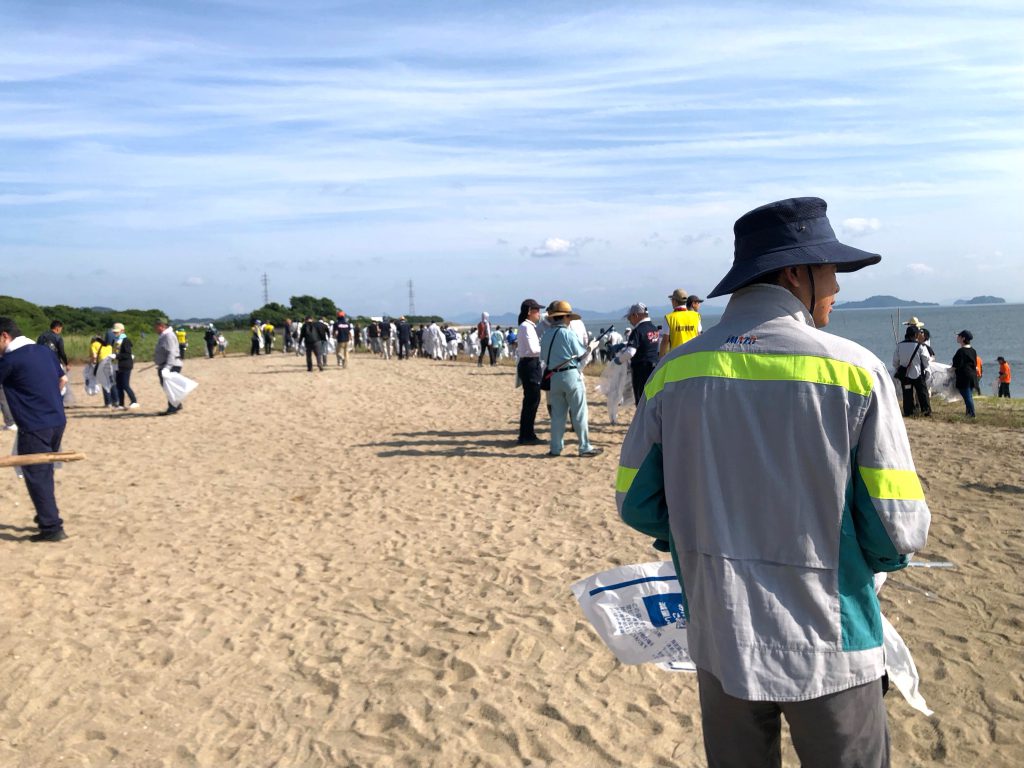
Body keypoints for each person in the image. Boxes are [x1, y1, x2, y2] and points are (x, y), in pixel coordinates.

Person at [616, 197, 930, 767]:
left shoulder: (673, 372)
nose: (837, 286)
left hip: (720, 636)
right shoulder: (855, 371)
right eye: (831, 270)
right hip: (833, 644)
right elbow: (898, 529)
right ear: (795, 273)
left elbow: (637, 502)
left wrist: (701, 535)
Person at [0, 317, 70, 542]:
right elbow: (62, 380)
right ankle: (45, 514)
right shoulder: (44, 351)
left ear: (4, 336)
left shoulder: (11, 360)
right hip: (57, 420)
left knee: (37, 474)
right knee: (44, 471)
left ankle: (51, 527)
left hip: (35, 425)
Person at [539, 301, 602, 458]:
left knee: (557, 415)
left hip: (554, 377)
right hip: (571, 375)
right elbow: (582, 353)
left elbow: (544, 357)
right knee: (579, 412)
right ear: (565, 317)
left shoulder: (546, 335)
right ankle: (584, 446)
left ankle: (555, 448)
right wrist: (592, 347)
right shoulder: (568, 334)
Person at [516, 299, 545, 446]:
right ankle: (526, 435)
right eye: (536, 310)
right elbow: (533, 349)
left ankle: (527, 433)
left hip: (530, 364)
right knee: (532, 401)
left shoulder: (528, 326)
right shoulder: (526, 327)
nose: (539, 313)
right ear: (529, 312)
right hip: (530, 364)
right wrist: (545, 348)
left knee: (532, 401)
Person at [622, 303, 660, 405]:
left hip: (641, 368)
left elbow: (630, 352)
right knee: (652, 397)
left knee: (641, 399)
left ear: (635, 315)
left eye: (629, 317)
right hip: (655, 367)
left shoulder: (637, 331)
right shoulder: (654, 328)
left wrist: (619, 360)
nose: (629, 321)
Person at [892, 325, 931, 417]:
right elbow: (926, 360)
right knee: (922, 393)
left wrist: (899, 369)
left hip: (905, 375)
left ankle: (908, 412)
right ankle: (926, 411)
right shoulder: (920, 346)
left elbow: (895, 362)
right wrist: (926, 371)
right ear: (916, 335)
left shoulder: (899, 346)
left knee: (907, 394)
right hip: (918, 374)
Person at [153, 317, 184, 414]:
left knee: (169, 387)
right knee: (168, 386)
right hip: (166, 364)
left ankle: (173, 407)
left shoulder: (168, 336)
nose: (155, 328)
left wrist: (167, 367)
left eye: (156, 326)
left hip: (171, 364)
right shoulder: (164, 335)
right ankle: (176, 404)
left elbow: (171, 352)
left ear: (161, 326)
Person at [659, 288, 700, 357]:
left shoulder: (669, 318)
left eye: (672, 300)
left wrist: (661, 358)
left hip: (676, 357)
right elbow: (699, 336)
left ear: (674, 301)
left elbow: (665, 341)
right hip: (693, 355)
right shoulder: (696, 316)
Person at [952, 330, 979, 418]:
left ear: (963, 338)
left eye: (959, 336)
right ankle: (968, 413)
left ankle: (971, 414)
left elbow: (956, 365)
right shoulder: (973, 350)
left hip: (964, 376)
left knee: (967, 397)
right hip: (972, 375)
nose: (957, 337)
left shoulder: (961, 351)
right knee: (969, 395)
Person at [112, 323, 139, 409]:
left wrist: (116, 356)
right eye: (114, 332)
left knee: (125, 385)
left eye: (117, 332)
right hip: (117, 366)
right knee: (119, 386)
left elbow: (127, 354)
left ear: (122, 331)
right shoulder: (115, 341)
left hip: (125, 365)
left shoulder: (126, 341)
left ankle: (134, 401)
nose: (115, 333)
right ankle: (121, 404)